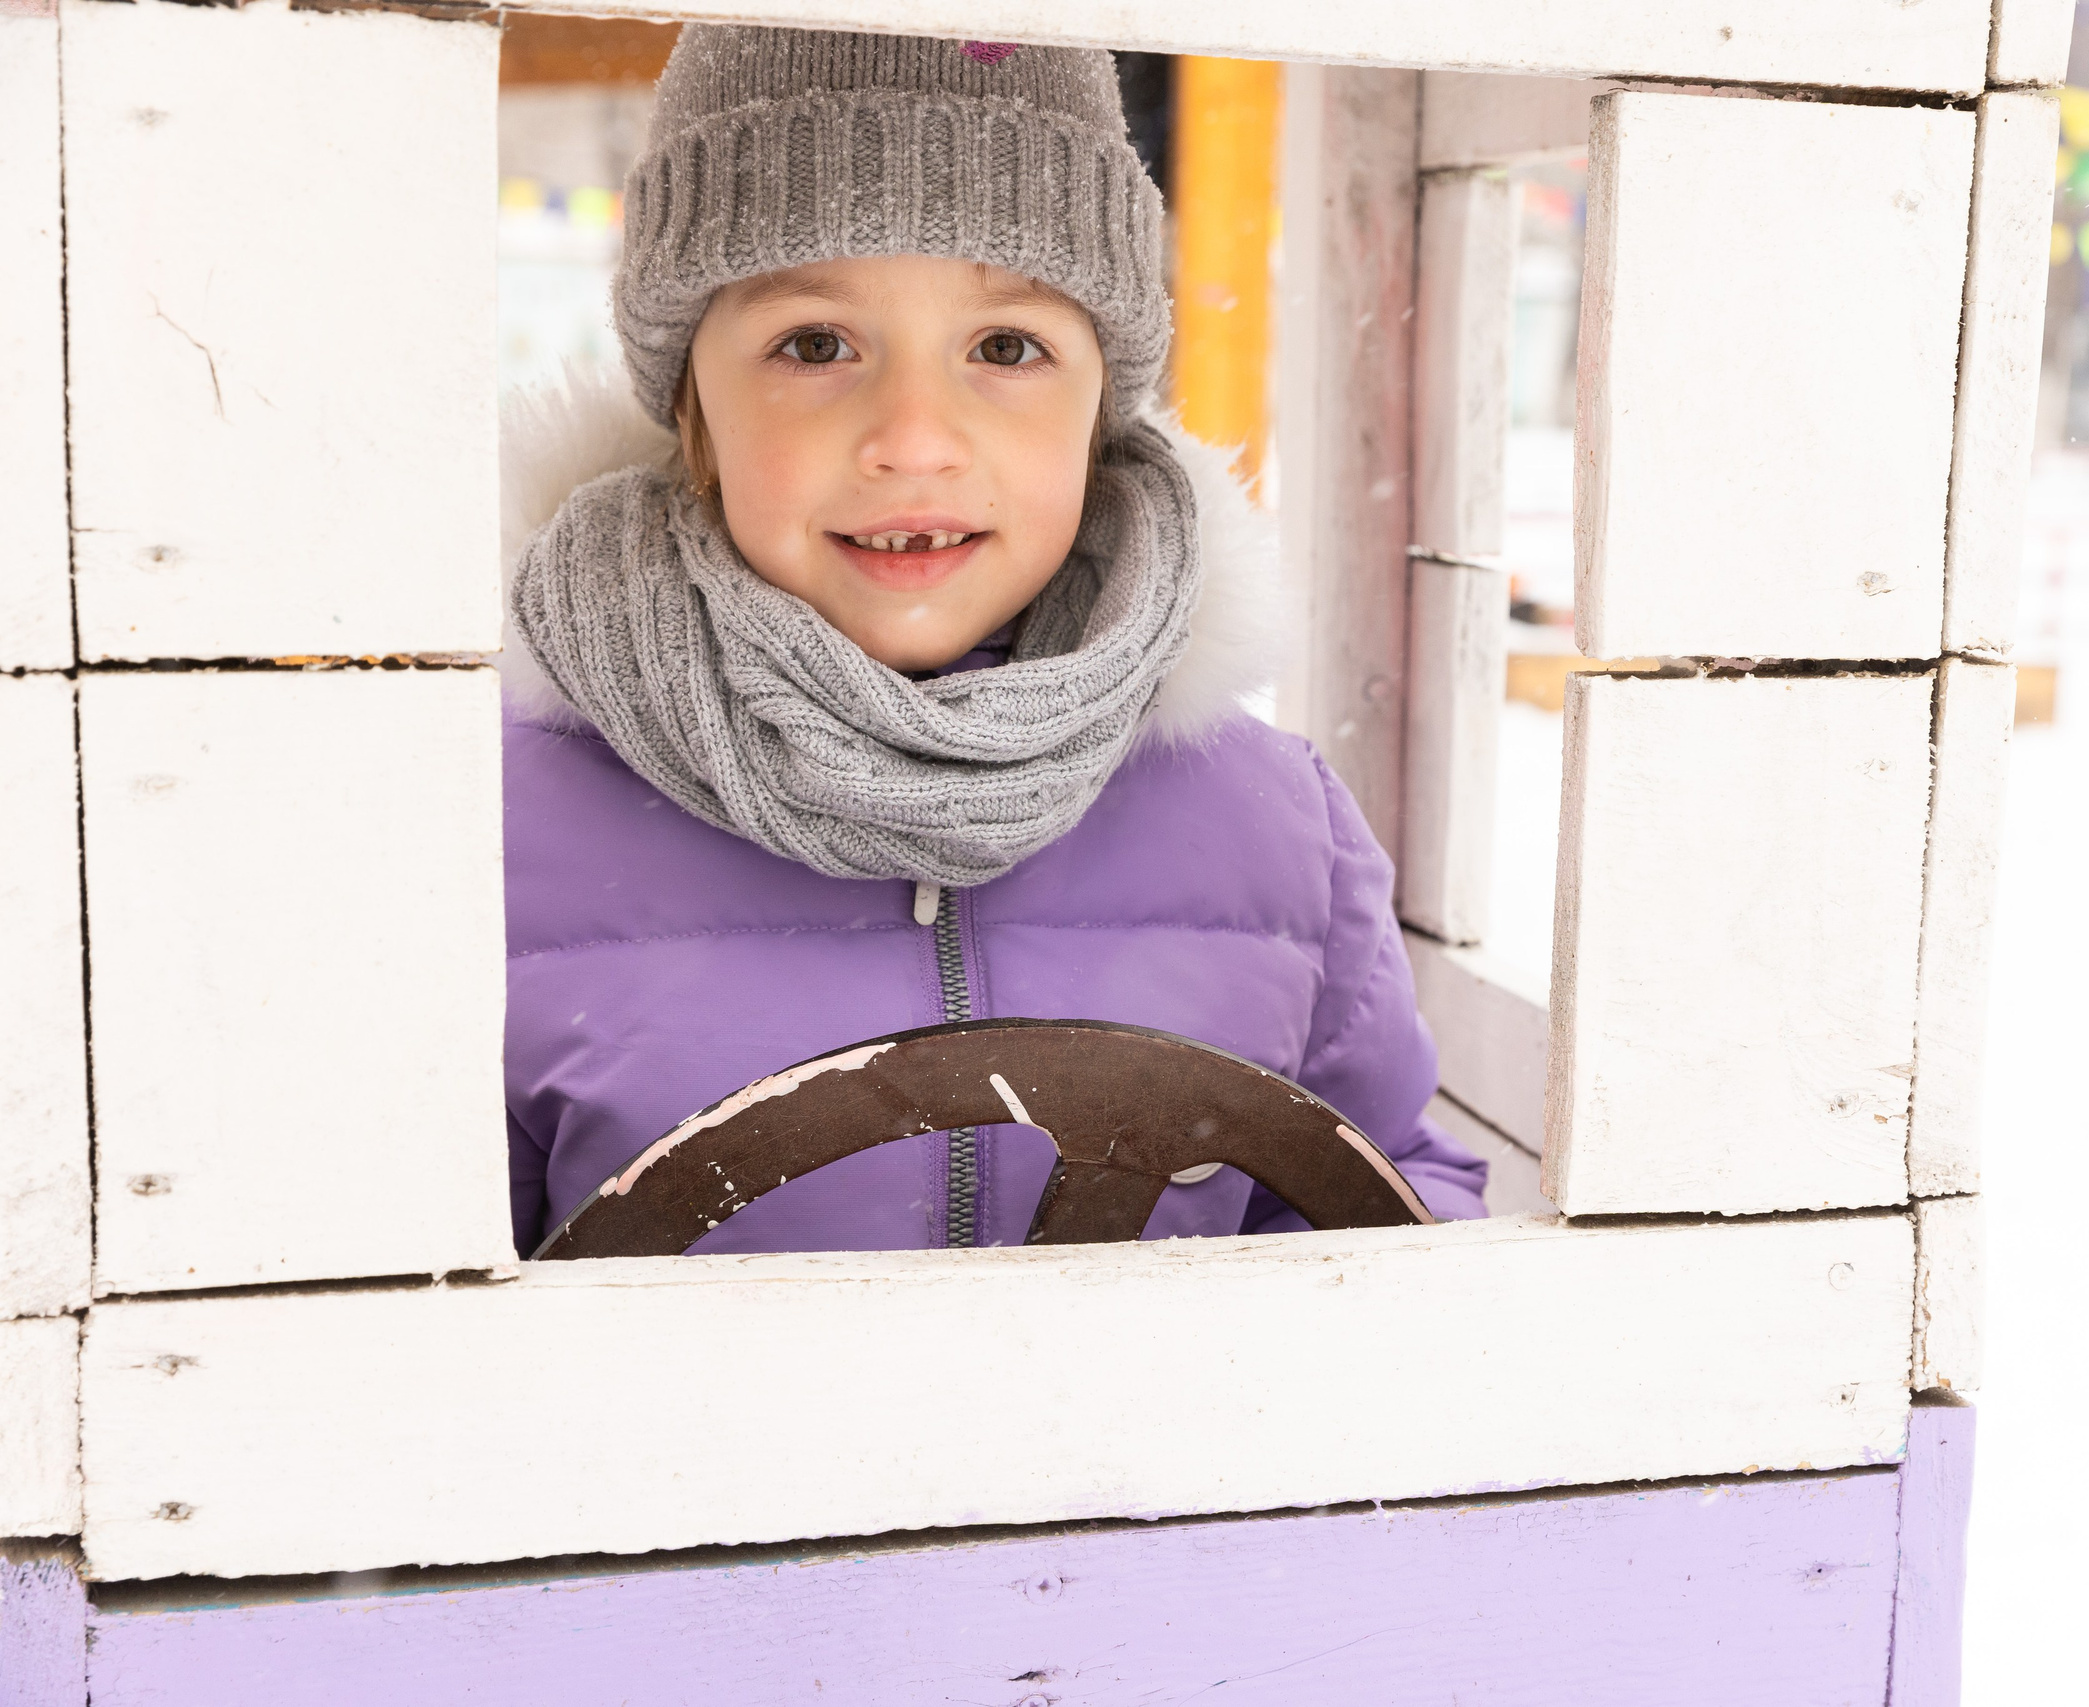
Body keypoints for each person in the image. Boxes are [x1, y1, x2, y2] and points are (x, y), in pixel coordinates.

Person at [500, 27, 1489, 1257]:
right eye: (815, 346)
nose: (915, 440)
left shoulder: (1275, 832)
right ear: (689, 400)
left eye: (1006, 349)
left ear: (1101, 407)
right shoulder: (488, 833)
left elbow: (1380, 1198)